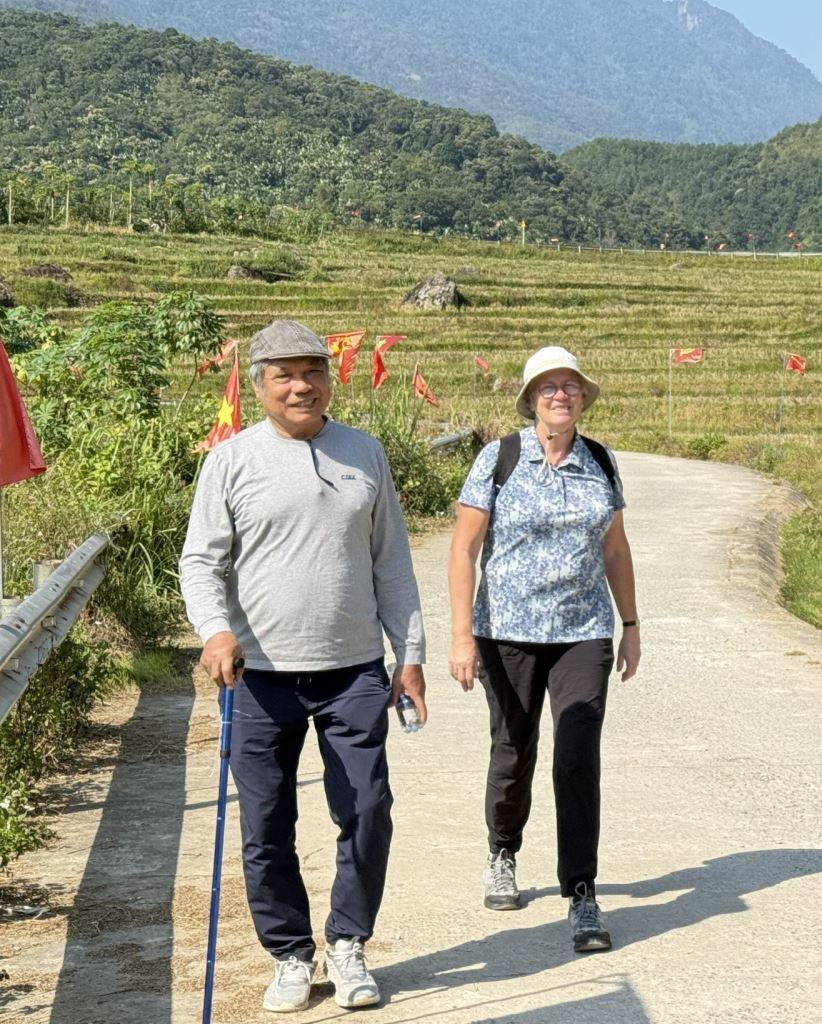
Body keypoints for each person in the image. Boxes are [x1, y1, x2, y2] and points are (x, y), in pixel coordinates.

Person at [180, 319, 427, 1012]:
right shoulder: (230, 461)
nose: (301, 385)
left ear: (330, 377)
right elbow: (201, 560)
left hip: (354, 672)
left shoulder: (364, 453)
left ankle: (348, 943)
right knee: (265, 823)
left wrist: (409, 657)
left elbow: (393, 565)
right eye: (283, 374)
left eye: (312, 371)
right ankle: (290, 953)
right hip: (257, 677)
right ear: (259, 385)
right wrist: (215, 630)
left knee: (369, 808)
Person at [446, 345, 639, 954]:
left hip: (582, 629)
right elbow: (463, 549)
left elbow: (615, 550)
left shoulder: (599, 462)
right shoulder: (499, 458)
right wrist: (459, 634)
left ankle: (581, 891)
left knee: (578, 752)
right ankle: (503, 850)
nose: (561, 394)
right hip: (505, 631)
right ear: (532, 399)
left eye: (571, 386)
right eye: (549, 387)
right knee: (514, 747)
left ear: (583, 397)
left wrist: (630, 624)